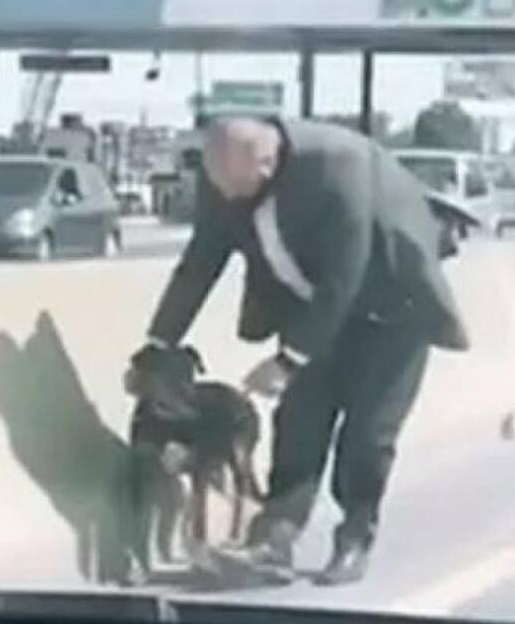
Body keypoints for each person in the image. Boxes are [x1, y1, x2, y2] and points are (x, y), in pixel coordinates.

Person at [134, 116, 469, 587]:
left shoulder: (338, 167)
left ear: (268, 164)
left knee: (367, 437)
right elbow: (201, 260)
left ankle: (354, 538)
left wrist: (289, 359)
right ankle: (273, 538)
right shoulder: (226, 176)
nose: (228, 198)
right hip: (311, 308)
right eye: (220, 186)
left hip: (393, 308)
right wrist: (159, 342)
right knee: (297, 424)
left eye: (239, 188)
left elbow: (344, 275)